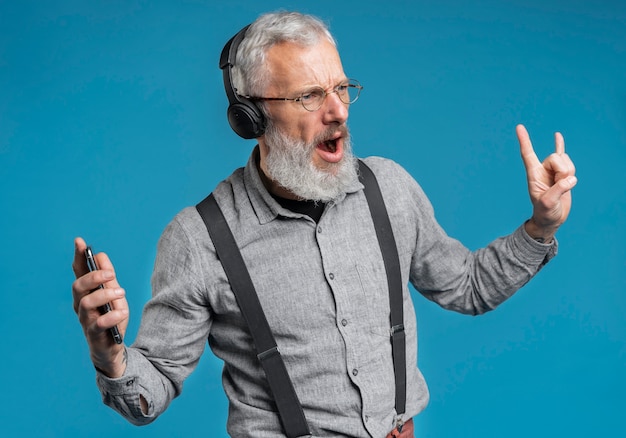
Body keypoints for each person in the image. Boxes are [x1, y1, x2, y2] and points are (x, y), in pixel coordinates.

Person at [71, 11, 577, 438]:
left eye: (341, 88)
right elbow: (148, 395)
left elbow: (466, 287)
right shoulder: (199, 238)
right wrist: (110, 354)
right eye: (311, 96)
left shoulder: (389, 188)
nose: (338, 113)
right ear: (252, 116)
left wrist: (541, 226)